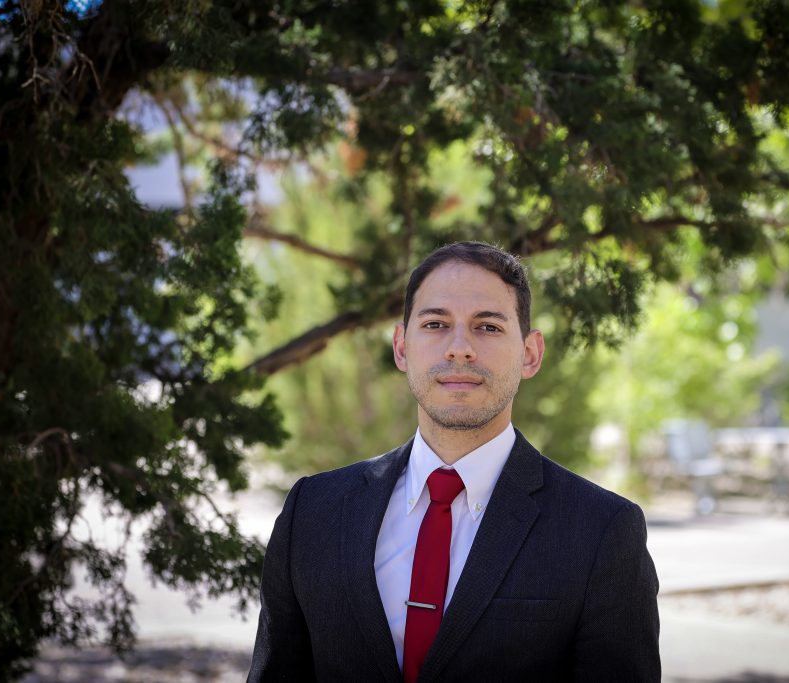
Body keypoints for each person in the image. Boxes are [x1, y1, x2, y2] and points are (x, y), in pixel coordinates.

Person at [248, 242, 660, 682]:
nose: (459, 348)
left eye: (487, 327)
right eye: (436, 323)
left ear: (530, 354)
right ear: (402, 348)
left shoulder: (602, 531)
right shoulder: (312, 512)